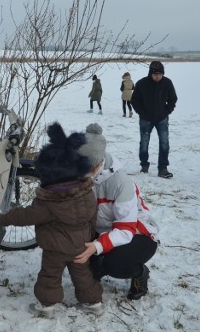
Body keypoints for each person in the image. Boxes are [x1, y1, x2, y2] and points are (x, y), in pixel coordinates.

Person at [0, 122, 105, 318]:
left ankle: (46, 306)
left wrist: (4, 218)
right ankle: (94, 303)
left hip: (55, 249)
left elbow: (26, 215)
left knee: (50, 275)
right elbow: (92, 217)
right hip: (81, 244)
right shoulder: (88, 193)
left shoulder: (50, 201)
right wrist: (89, 237)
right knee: (83, 275)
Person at [74, 123, 159, 301]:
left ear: (98, 164)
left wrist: (97, 246)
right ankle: (99, 265)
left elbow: (125, 229)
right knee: (80, 257)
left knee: (114, 265)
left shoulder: (120, 184)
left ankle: (139, 272)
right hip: (101, 230)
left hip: (135, 234)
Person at [130, 61, 178, 178]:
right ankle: (144, 166)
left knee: (164, 143)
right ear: (150, 73)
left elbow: (173, 99)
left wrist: (166, 112)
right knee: (144, 143)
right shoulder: (142, 83)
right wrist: (142, 113)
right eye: (155, 74)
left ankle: (163, 169)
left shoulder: (167, 83)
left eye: (160, 74)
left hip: (162, 119)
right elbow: (134, 100)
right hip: (146, 119)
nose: (158, 76)